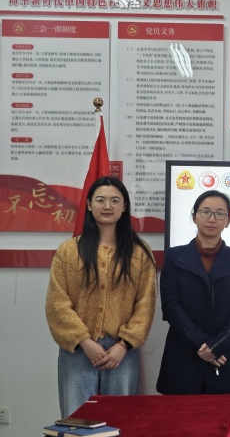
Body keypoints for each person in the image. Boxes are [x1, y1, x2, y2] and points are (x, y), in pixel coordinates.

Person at [45, 176, 157, 418]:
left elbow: (146, 304)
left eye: (115, 200)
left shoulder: (139, 252)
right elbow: (57, 304)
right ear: (89, 205)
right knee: (77, 421)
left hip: (121, 354)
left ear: (124, 206)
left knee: (119, 421)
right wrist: (84, 341)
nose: (108, 206)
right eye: (101, 200)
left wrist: (124, 345)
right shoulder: (69, 250)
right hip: (77, 351)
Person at [156, 190, 230, 394]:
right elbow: (171, 306)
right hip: (184, 356)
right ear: (194, 216)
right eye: (205, 212)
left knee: (227, 413)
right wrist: (205, 346)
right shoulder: (175, 257)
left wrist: (217, 346)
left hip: (226, 356)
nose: (212, 218)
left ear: (228, 221)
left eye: (220, 213)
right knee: (180, 414)